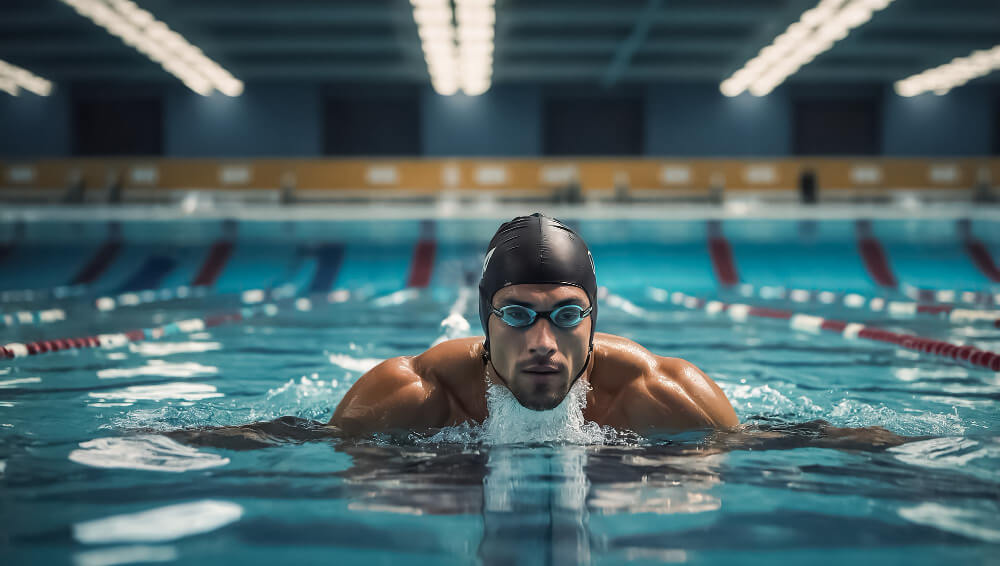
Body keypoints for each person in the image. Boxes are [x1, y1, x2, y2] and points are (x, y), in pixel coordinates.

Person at [329, 213, 739, 436]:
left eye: (566, 316)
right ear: (486, 321)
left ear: (592, 322)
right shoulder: (412, 392)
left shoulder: (666, 394)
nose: (543, 343)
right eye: (517, 315)